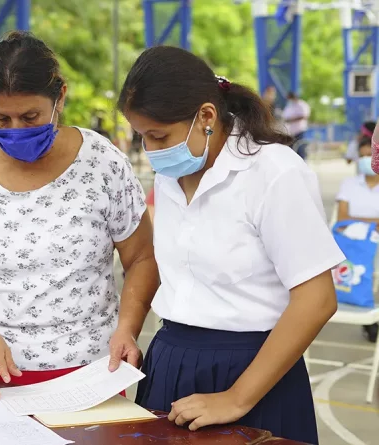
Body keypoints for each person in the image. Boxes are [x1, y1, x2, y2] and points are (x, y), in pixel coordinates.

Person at [118, 46, 343, 444]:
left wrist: (237, 398)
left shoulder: (272, 172)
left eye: (158, 136)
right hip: (170, 361)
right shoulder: (173, 174)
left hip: (254, 371)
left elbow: (317, 297)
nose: (151, 151)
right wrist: (127, 327)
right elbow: (161, 262)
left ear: (206, 116)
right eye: (142, 137)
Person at [0, 31, 159, 398]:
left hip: (93, 370)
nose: (16, 130)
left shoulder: (103, 164)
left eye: (30, 116)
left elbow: (141, 258)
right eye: (1, 118)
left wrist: (128, 328)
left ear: (59, 96)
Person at [336, 136, 379, 343]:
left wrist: (359, 221)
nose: (365, 160)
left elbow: (348, 219)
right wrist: (374, 222)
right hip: (355, 244)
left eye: (370, 155)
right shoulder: (349, 184)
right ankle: (370, 322)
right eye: (362, 156)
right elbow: (342, 219)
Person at [281, 91, 311, 159]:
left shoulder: (302, 105)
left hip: (299, 130)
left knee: (300, 149)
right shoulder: (289, 106)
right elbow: (285, 116)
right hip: (290, 132)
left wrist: (291, 120)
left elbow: (304, 116)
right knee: (292, 150)